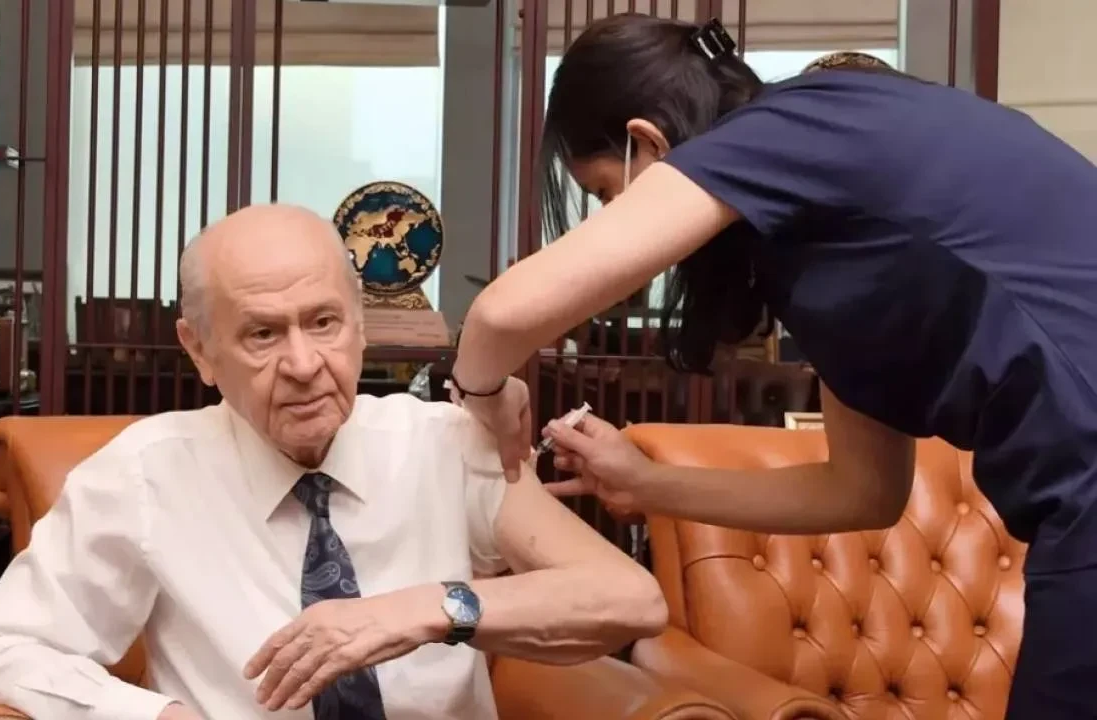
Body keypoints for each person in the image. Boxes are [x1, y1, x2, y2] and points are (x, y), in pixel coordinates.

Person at [448, 13, 1097, 718]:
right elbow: (862, 491)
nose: (611, 217)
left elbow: (501, 314)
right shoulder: (821, 227)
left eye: (605, 193)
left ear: (648, 143)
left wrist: (483, 393)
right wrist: (645, 483)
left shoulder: (780, 132)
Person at [0, 204, 668, 720]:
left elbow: (631, 601)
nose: (303, 364)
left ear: (360, 326)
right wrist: (153, 716)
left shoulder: (444, 443)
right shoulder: (143, 475)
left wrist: (422, 610)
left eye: (324, 323)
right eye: (262, 334)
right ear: (199, 350)